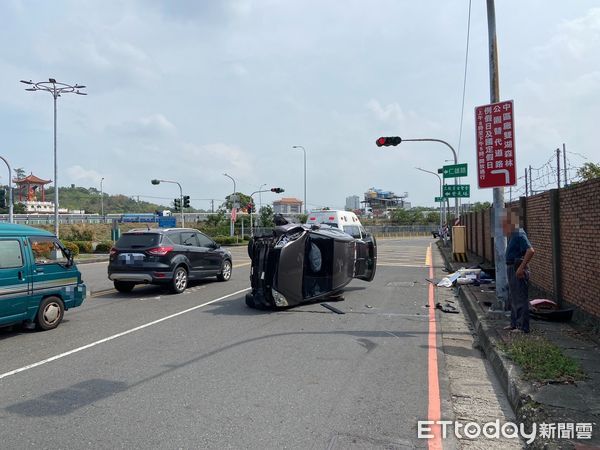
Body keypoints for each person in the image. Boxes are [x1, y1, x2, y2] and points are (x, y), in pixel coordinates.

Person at [502, 210, 535, 333]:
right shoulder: (513, 234)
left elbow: (530, 251)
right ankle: (514, 324)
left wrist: (521, 267)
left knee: (520, 297)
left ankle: (522, 327)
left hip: (517, 267)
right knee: (513, 297)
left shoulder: (519, 233)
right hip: (511, 267)